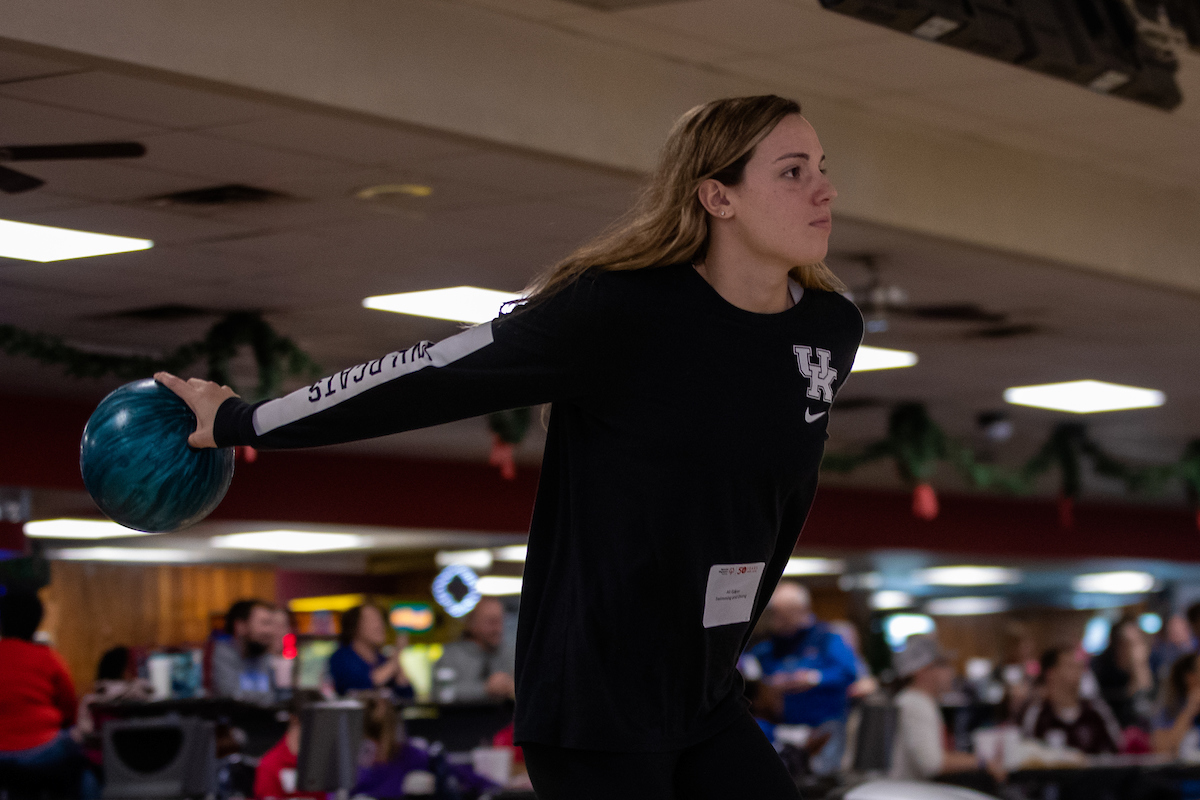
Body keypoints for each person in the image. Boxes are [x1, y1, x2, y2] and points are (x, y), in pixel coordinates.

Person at [157, 93, 863, 800]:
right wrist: (246, 421)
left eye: (822, 168)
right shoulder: (617, 308)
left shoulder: (827, 330)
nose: (824, 189)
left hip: (705, 697)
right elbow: (432, 372)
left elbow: (781, 502)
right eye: (793, 171)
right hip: (594, 708)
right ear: (718, 196)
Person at [745, 582, 857, 774]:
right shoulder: (769, 645)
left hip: (825, 727)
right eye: (775, 614)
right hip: (784, 726)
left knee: (821, 779)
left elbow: (849, 673)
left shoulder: (827, 638)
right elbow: (752, 673)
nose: (777, 621)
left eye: (783, 614)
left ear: (801, 610)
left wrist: (813, 678)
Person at [0, 590, 99, 799]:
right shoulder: (48, 658)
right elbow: (69, 710)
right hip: (44, 751)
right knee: (85, 771)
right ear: (37, 622)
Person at [884, 634, 1002, 782]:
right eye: (943, 665)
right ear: (922, 671)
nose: (951, 671)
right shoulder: (915, 704)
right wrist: (982, 762)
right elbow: (932, 764)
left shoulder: (917, 700)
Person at [1022, 646, 1121, 755]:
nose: (1078, 672)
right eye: (1070, 666)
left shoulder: (1097, 711)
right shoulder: (1036, 715)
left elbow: (1116, 750)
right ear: (1051, 673)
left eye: (1080, 667)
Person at [432, 597, 515, 703]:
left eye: (501, 621)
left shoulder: (508, 654)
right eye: (491, 622)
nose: (498, 629)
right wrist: (485, 689)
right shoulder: (451, 656)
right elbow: (440, 694)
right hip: (461, 718)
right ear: (472, 624)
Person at [328, 604, 414, 699]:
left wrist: (396, 662)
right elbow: (364, 684)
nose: (380, 625)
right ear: (354, 626)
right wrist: (398, 653)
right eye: (372, 620)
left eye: (381, 620)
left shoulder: (383, 660)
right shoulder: (341, 658)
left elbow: (407, 695)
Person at [1091, 615, 1155, 730]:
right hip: (1110, 726)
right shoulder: (1101, 665)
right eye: (1131, 642)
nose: (1136, 647)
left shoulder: (1143, 662)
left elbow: (1148, 694)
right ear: (1118, 643)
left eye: (1138, 641)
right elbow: (1118, 699)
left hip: (1139, 727)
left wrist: (1140, 666)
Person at [211, 599, 278, 700]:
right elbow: (232, 697)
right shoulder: (223, 653)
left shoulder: (262, 655)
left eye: (271, 624)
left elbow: (272, 697)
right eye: (264, 623)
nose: (270, 630)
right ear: (241, 626)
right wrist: (263, 699)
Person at [1151, 652, 1200, 759]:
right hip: (1182, 773)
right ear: (1190, 677)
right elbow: (1162, 749)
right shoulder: (1170, 708)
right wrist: (1189, 710)